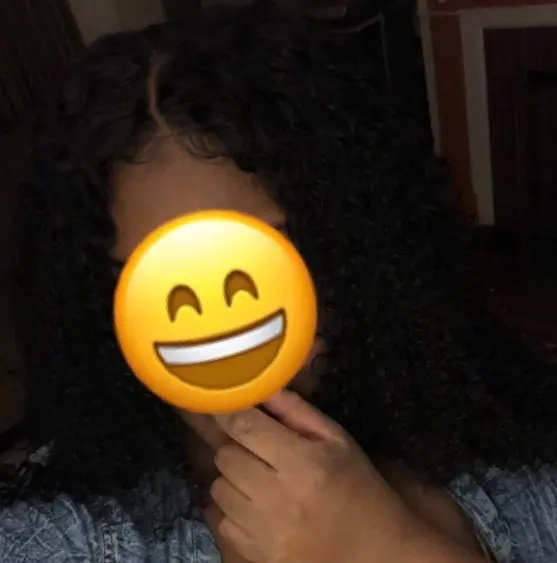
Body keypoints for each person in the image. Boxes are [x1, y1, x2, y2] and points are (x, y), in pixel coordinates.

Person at [1, 3, 556, 562]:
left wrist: (389, 548)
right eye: (151, 280)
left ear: (361, 247)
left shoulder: (527, 464)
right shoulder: (54, 540)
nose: (216, 313)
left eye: (265, 257)